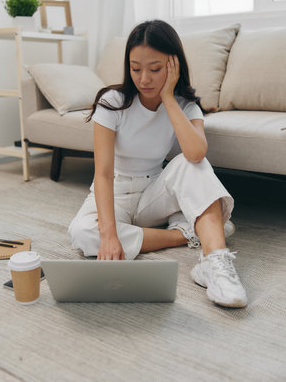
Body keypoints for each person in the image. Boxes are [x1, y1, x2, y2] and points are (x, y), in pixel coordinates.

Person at [68, 19, 247, 308]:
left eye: (155, 69)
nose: (144, 79)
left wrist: (168, 97)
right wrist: (110, 235)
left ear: (173, 65)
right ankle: (186, 233)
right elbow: (101, 175)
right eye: (135, 68)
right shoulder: (112, 103)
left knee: (193, 163)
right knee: (82, 234)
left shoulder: (185, 105)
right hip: (116, 192)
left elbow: (197, 153)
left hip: (155, 192)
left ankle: (215, 263)